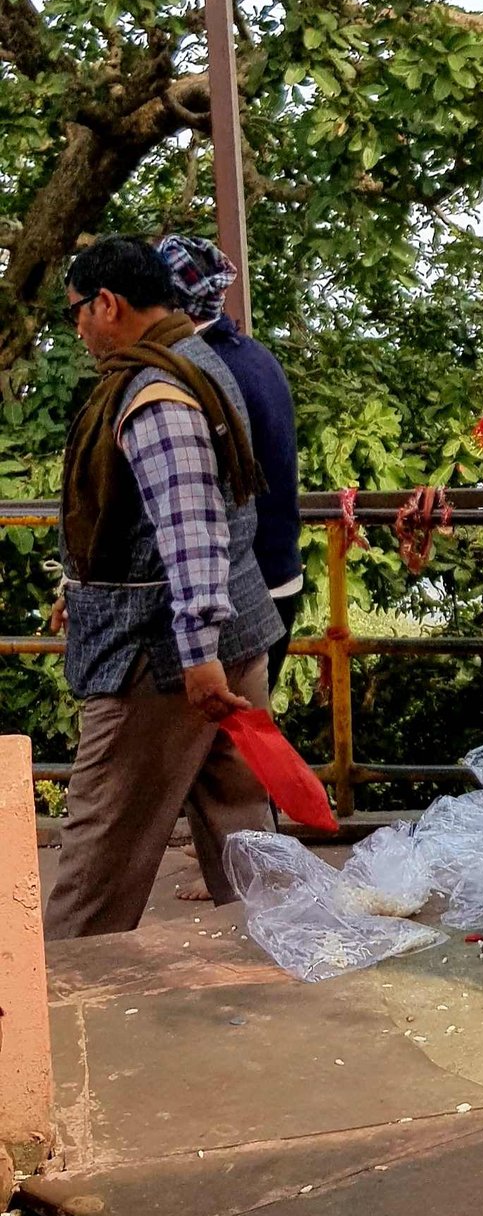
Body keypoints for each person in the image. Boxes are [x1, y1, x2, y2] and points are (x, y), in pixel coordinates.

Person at [44, 236, 283, 940]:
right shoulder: (200, 358)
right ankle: (280, 953)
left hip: (166, 655)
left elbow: (192, 529)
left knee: (101, 838)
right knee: (241, 826)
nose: (78, 329)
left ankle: (64, 983)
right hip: (234, 628)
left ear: (107, 304)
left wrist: (197, 655)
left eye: (76, 312)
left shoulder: (154, 392)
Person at [156, 233, 303, 694]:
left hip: (239, 589)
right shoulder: (256, 356)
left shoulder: (196, 370)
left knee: (221, 725)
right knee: (246, 726)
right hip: (281, 574)